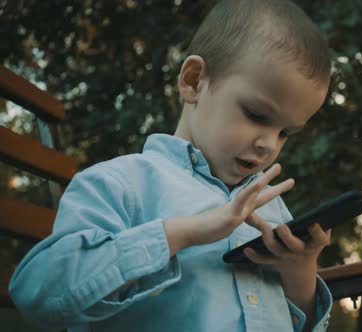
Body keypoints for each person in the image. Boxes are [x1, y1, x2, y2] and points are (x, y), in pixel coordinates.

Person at [9, 0, 333, 331]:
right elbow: (41, 295)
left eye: (285, 133)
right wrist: (185, 232)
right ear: (193, 81)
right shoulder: (122, 183)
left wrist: (300, 273)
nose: (269, 144)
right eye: (256, 115)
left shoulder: (271, 206)